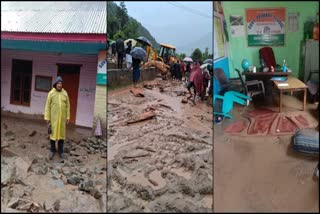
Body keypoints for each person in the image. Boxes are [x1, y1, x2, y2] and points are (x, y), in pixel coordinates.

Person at [44, 76, 70, 160]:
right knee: (52, 135)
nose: (59, 85)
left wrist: (68, 117)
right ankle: (52, 150)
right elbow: (47, 106)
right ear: (55, 84)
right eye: (58, 83)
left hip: (62, 119)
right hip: (53, 119)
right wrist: (47, 117)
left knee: (61, 136)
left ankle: (60, 151)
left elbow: (68, 106)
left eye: (61, 83)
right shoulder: (51, 93)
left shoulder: (65, 93)